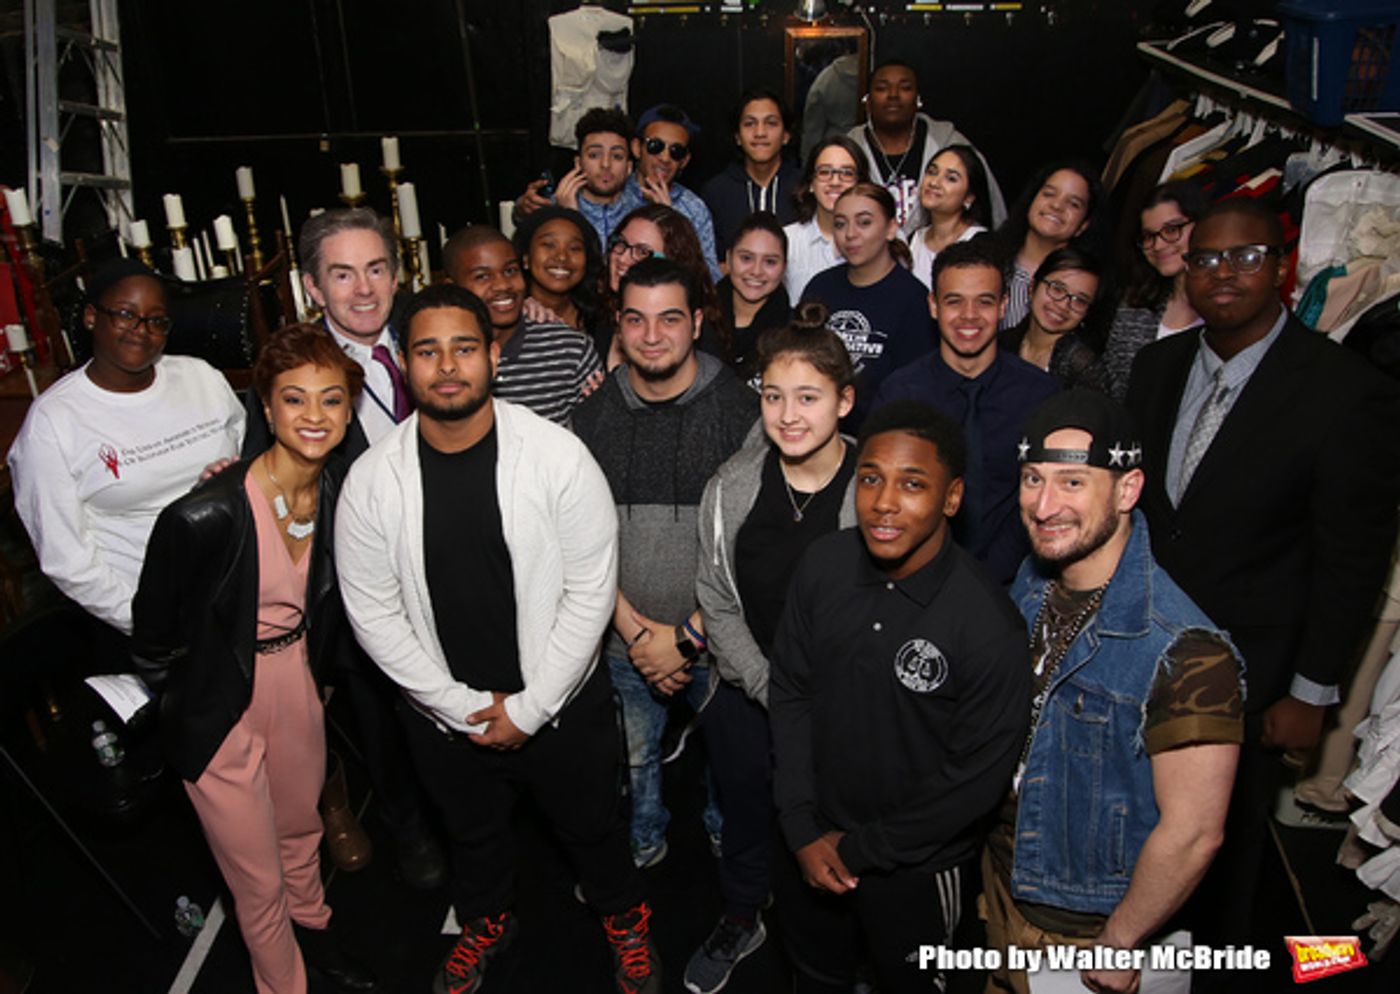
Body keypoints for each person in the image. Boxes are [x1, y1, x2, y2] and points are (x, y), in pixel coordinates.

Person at [334, 284, 661, 994]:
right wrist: (456, 707)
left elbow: (589, 590)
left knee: (593, 831)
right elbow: (372, 614)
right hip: (443, 715)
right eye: (427, 350)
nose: (447, 366)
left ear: (491, 356)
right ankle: (486, 920)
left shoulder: (558, 457)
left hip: (560, 702)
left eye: (462, 347)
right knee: (472, 838)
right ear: (405, 363)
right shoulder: (371, 481)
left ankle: (624, 918)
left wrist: (531, 707)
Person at [1125, 200, 1400, 973]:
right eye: (1205, 258)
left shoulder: (1344, 390)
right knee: (1150, 836)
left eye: (1244, 257)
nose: (1222, 273)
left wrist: (1313, 692)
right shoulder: (1158, 368)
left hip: (1257, 676)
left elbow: (1351, 558)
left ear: (1281, 267)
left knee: (1225, 859)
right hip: (1145, 655)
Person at [131, 325, 374, 994]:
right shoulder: (204, 515)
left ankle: (318, 939)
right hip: (219, 705)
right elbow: (151, 641)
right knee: (256, 879)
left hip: (296, 685)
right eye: (294, 400)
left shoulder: (340, 497)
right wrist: (198, 714)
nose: (314, 417)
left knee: (300, 835)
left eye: (331, 400)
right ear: (265, 409)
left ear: (349, 411)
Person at [984, 388, 1243, 994]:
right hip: (1005, 876)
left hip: (1085, 926)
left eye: (1073, 483)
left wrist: (1121, 942)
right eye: (1031, 479)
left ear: (1127, 491)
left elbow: (1194, 831)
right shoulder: (1035, 579)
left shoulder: (1186, 651)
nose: (1044, 506)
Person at [769, 400, 1029, 994]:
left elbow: (974, 781)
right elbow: (790, 693)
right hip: (806, 841)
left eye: (913, 484)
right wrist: (801, 826)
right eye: (871, 479)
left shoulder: (987, 625)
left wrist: (862, 850)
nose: (884, 502)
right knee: (814, 975)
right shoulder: (823, 564)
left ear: (952, 498)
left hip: (914, 868)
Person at [687, 304, 857, 994]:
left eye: (808, 397)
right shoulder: (732, 487)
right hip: (748, 695)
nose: (788, 414)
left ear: (846, 400)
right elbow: (716, 598)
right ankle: (740, 915)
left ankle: (847, 950)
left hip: (845, 708)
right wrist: (771, 688)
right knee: (746, 814)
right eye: (773, 395)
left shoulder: (875, 489)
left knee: (840, 833)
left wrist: (822, 701)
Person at [571, 257, 758, 872]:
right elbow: (577, 541)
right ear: (618, 329)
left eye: (670, 318)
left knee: (730, 764)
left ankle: (727, 844)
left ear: (698, 322)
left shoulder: (741, 413)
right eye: (636, 319)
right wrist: (634, 631)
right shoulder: (591, 417)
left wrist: (690, 636)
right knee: (633, 760)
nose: (652, 335)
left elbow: (752, 544)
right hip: (625, 638)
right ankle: (643, 840)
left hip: (721, 640)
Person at [291, 207, 446, 890]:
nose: (363, 289)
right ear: (312, 288)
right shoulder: (295, 370)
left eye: (376, 268)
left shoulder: (430, 335)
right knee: (383, 723)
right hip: (365, 585)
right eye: (342, 274)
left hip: (453, 560)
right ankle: (409, 827)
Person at [8, 258, 244, 645]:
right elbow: (66, 557)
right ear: (90, 316)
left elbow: (244, 459)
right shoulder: (54, 422)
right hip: (154, 617)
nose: (141, 331)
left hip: (242, 587)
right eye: (124, 314)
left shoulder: (200, 377)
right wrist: (147, 621)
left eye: (156, 320)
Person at [873, 237, 1059, 585]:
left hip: (1016, 583)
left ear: (1003, 306)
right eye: (954, 301)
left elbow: (1046, 501)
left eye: (984, 302)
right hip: (915, 579)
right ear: (933, 306)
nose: (969, 316)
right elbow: (883, 498)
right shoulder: (899, 395)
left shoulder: (1041, 397)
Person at [799, 183, 932, 428]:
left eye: (864, 222)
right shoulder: (820, 286)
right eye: (840, 224)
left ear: (891, 228)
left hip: (882, 435)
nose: (850, 234)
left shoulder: (913, 298)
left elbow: (916, 388)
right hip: (815, 428)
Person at [443, 223, 602, 424]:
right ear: (453, 288)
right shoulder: (442, 359)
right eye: (482, 276)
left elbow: (598, 438)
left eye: (510, 271)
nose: (502, 285)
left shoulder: (571, 350)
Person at [845, 60, 1005, 235]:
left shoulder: (949, 143)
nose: (893, 95)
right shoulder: (848, 150)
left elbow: (990, 206)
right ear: (867, 100)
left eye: (905, 88)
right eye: (882, 88)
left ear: (918, 99)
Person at [1102, 181, 1208, 402]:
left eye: (1172, 229)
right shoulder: (1135, 304)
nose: (1159, 245)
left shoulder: (1227, 308)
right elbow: (1113, 386)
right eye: (1149, 236)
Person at [601, 203, 729, 367]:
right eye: (620, 244)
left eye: (643, 252)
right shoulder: (603, 314)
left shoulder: (698, 341)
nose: (623, 259)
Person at [611, 104, 720, 279]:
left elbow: (709, 279)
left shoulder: (694, 209)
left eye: (676, 151)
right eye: (655, 146)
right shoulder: (614, 193)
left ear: (684, 160)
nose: (665, 158)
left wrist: (670, 224)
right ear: (637, 148)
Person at [996, 160, 1103, 330]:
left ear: (1083, 226)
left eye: (1073, 204)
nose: (1057, 205)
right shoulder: (987, 256)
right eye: (1049, 194)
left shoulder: (1084, 288)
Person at [515, 106, 635, 251]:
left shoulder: (641, 212)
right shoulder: (554, 207)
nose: (605, 164)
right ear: (578, 163)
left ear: (629, 167)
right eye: (594, 155)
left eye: (617, 156)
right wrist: (568, 216)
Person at [701, 87, 801, 257]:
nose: (760, 133)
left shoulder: (804, 187)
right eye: (749, 124)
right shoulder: (716, 192)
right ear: (737, 137)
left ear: (786, 135)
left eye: (771, 123)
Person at [998, 246, 1109, 392]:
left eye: (1080, 300)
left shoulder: (1082, 366)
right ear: (1032, 287)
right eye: (1057, 288)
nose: (1064, 305)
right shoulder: (1001, 343)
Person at [782, 136, 868, 302]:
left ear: (861, 183)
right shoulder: (788, 241)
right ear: (811, 184)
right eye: (824, 172)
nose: (835, 181)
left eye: (847, 173)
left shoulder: (881, 239)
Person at [718, 211, 791, 385]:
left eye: (770, 262)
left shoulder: (792, 332)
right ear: (728, 259)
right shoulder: (697, 318)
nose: (756, 271)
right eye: (746, 258)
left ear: (784, 267)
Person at [514, 204, 607, 340]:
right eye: (549, 245)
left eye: (574, 248)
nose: (562, 256)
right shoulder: (509, 317)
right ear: (526, 257)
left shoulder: (602, 319)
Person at [908, 144, 992, 291]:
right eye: (932, 172)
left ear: (969, 197)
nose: (934, 183)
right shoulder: (913, 239)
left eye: (951, 178)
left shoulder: (983, 243)